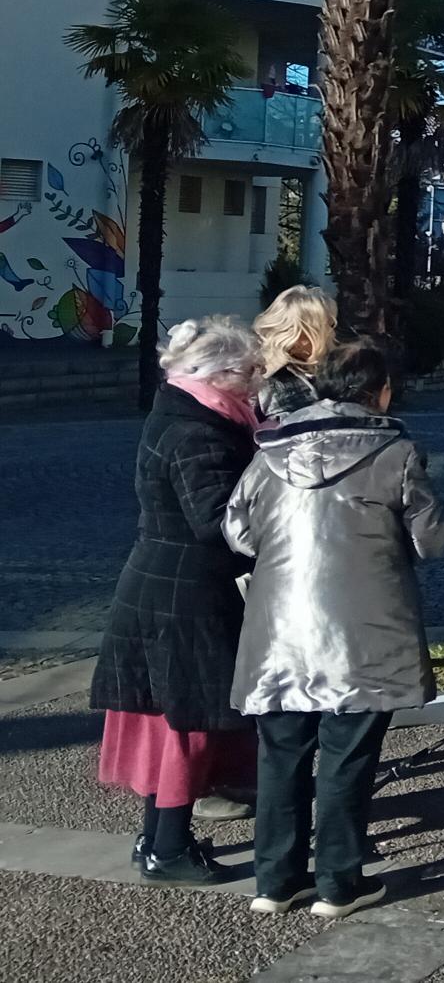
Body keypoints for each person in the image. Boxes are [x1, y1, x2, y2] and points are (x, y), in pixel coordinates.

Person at [225, 337, 444, 917]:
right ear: (380, 391)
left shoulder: (268, 451)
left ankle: (274, 881)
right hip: (365, 630)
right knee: (348, 757)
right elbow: (432, 540)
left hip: (279, 629)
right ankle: (338, 882)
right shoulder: (395, 451)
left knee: (280, 755)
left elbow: (239, 534)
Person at [89, 317, 263, 886]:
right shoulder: (201, 432)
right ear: (217, 375)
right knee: (184, 724)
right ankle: (167, 849)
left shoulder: (182, 412)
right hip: (184, 594)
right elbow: (216, 521)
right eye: (248, 371)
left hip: (165, 584)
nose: (257, 382)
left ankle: (157, 839)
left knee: (173, 719)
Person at [251, 285, 337, 418]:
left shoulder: (331, 370)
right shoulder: (267, 378)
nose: (333, 333)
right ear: (301, 332)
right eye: (329, 325)